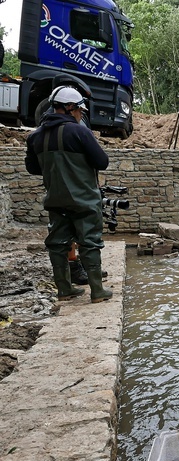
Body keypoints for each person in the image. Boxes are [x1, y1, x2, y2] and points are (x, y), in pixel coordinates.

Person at [25, 86, 112, 303]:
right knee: (90, 242)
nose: (80, 115)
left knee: (57, 244)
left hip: (55, 200)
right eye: (79, 111)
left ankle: (64, 290)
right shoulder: (80, 132)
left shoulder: (35, 137)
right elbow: (102, 162)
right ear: (69, 107)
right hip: (84, 199)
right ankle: (97, 292)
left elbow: (33, 169)